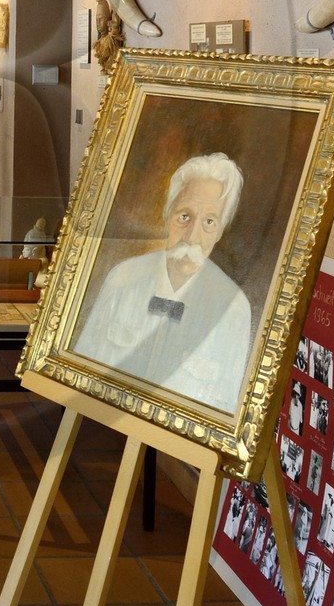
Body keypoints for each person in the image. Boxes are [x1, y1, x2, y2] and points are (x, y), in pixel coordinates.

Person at [72, 152, 254, 412]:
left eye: (209, 221)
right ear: (167, 215)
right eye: (184, 216)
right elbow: (80, 372)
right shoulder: (122, 279)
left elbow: (226, 410)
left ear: (220, 232)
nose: (192, 236)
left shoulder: (234, 309)